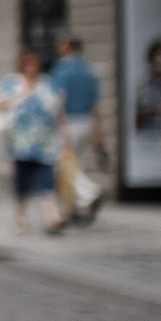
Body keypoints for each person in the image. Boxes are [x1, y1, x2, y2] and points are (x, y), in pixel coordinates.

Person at [0, 48, 66, 236]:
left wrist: (65, 136)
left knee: (47, 181)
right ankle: (21, 217)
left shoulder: (47, 83)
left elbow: (57, 111)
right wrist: (17, 97)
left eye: (34, 64)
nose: (31, 68)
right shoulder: (11, 83)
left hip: (46, 143)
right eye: (27, 64)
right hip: (20, 144)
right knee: (22, 184)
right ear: (22, 65)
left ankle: (52, 219)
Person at [49, 36, 103, 225]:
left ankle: (89, 192)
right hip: (86, 122)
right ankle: (72, 208)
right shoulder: (89, 69)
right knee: (74, 165)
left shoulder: (61, 69)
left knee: (64, 164)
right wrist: (98, 131)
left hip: (68, 122)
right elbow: (95, 103)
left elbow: (58, 99)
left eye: (61, 44)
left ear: (67, 47)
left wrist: (58, 125)